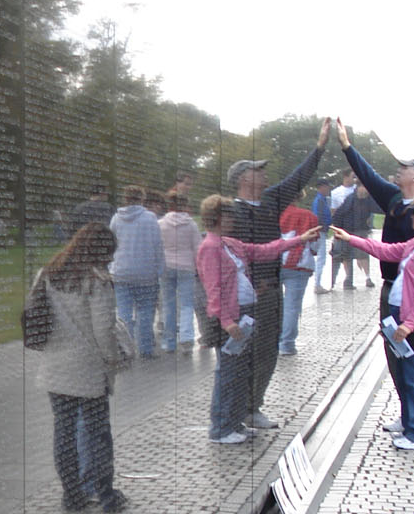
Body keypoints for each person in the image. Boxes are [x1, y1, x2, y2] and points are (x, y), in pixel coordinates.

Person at [223, 117, 328, 428]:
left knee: (267, 351)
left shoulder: (270, 201)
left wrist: (319, 147)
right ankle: (232, 412)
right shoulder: (232, 212)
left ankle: (253, 407)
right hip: (245, 295)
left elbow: (298, 178)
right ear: (243, 179)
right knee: (240, 355)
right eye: (258, 170)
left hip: (272, 290)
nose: (264, 173)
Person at [331, 193, 414, 450]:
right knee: (409, 375)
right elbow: (386, 251)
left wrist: (408, 324)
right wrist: (351, 238)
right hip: (406, 316)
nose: (412, 218)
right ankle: (413, 428)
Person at [335, 120, 414, 433]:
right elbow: (368, 174)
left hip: (413, 293)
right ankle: (408, 415)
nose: (398, 171)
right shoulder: (393, 197)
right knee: (396, 354)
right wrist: (347, 146)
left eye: (405, 168)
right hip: (390, 288)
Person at [195, 195, 319, 443]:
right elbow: (213, 288)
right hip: (233, 318)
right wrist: (227, 321)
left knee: (240, 372)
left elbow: (263, 251)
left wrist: (298, 240)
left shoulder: (229, 243)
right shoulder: (210, 248)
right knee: (228, 374)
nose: (233, 219)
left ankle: (234, 422)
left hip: (245, 313)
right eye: (229, 215)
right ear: (218, 218)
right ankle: (220, 428)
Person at [36, 224, 129, 513]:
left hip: (55, 366)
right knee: (97, 432)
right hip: (88, 370)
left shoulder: (48, 273)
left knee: (63, 431)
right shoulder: (96, 281)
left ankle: (72, 495)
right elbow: (104, 329)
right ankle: (106, 494)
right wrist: (114, 359)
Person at [109, 185, 163, 358]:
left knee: (124, 312)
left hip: (121, 271)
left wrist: (110, 267)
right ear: (142, 199)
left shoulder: (116, 218)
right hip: (146, 272)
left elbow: (111, 243)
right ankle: (146, 349)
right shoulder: (150, 218)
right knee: (145, 311)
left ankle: (126, 348)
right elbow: (158, 245)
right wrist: (160, 269)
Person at [277, 191, 319, 355]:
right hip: (300, 266)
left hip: (275, 263)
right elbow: (315, 245)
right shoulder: (309, 216)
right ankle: (287, 344)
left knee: (275, 305)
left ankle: (273, 339)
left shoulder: (274, 215)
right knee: (292, 306)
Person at [158, 193, 200, 352]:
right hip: (186, 267)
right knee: (187, 304)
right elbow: (197, 248)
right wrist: (198, 268)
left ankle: (169, 342)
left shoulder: (160, 223)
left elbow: (157, 246)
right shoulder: (191, 225)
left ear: (170, 205)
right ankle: (186, 337)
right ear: (185, 205)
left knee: (169, 304)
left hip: (166, 266)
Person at [329, 181, 373, 289]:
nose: (367, 190)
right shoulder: (351, 199)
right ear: (359, 187)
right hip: (348, 230)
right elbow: (339, 213)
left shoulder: (368, 199)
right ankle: (347, 281)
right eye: (365, 187)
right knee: (346, 256)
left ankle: (367, 278)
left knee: (363, 254)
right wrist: (339, 229)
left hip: (361, 230)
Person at [310, 177, 334, 292]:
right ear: (321, 187)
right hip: (320, 231)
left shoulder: (322, 200)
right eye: (326, 186)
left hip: (321, 231)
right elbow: (319, 217)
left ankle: (317, 283)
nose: (328, 188)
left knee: (321, 258)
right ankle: (317, 284)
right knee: (321, 258)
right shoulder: (320, 201)